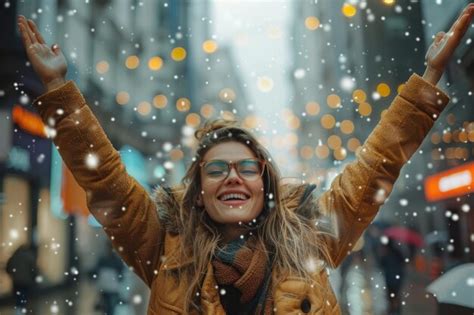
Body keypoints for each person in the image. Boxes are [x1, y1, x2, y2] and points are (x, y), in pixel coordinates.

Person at [16, 5, 474, 314]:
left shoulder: (310, 240)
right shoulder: (161, 244)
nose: (232, 177)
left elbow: (377, 163)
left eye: (246, 167)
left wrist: (430, 76)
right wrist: (59, 93)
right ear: (198, 191)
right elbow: (107, 181)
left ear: (265, 184)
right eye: (216, 169)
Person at [6, 244, 38, 312]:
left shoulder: (14, 257)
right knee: (26, 299)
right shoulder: (29, 257)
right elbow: (34, 270)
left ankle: (19, 312)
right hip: (26, 282)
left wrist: (13, 275)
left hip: (16, 281)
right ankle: (25, 311)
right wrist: (33, 278)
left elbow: (8, 268)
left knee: (18, 299)